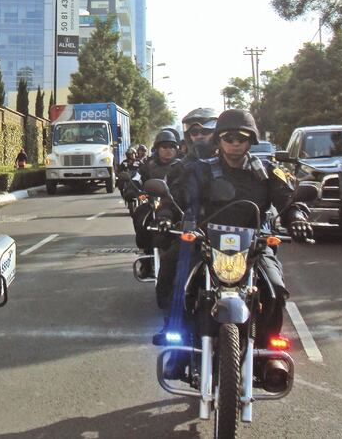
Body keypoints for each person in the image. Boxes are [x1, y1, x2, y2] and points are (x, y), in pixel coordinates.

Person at [156, 109, 313, 359]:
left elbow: (289, 200)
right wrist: (165, 217)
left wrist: (297, 219)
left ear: (251, 141)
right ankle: (177, 336)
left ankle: (268, 347)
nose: (235, 143)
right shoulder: (199, 170)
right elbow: (174, 198)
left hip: (254, 246)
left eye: (242, 138)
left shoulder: (267, 171)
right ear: (219, 140)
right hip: (205, 243)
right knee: (173, 274)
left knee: (275, 288)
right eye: (229, 138)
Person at [133, 130, 183, 278]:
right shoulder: (148, 165)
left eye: (172, 147)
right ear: (157, 148)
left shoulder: (183, 164)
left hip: (178, 206)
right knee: (140, 217)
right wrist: (132, 188)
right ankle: (146, 261)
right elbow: (136, 179)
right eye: (164, 147)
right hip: (153, 204)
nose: (169, 150)